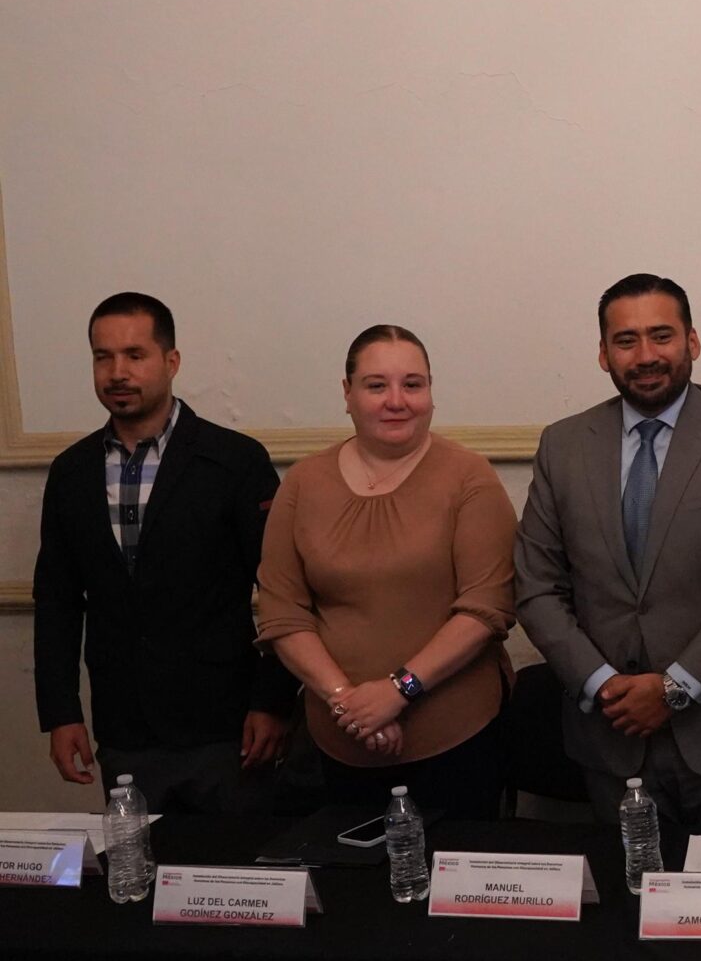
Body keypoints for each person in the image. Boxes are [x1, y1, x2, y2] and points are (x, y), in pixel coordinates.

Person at [515, 275, 701, 830]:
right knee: (630, 885)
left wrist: (673, 687)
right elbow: (536, 586)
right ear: (603, 354)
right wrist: (602, 684)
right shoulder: (563, 444)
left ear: (692, 341)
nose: (646, 355)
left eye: (662, 335)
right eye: (626, 341)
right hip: (611, 737)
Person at [33, 293, 294, 813]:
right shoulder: (71, 472)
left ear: (171, 362)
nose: (117, 372)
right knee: (136, 864)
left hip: (226, 725)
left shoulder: (234, 461)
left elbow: (283, 590)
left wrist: (273, 702)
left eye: (135, 355)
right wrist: (61, 713)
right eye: (103, 357)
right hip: (125, 728)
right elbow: (57, 600)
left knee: (235, 863)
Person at [255, 326, 516, 818]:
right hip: (339, 739)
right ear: (347, 393)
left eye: (413, 385)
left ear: (431, 392)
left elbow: (486, 609)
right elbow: (282, 613)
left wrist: (398, 691)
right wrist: (348, 704)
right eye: (376, 385)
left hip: (457, 738)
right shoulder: (304, 483)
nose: (397, 401)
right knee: (348, 866)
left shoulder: (469, 477)